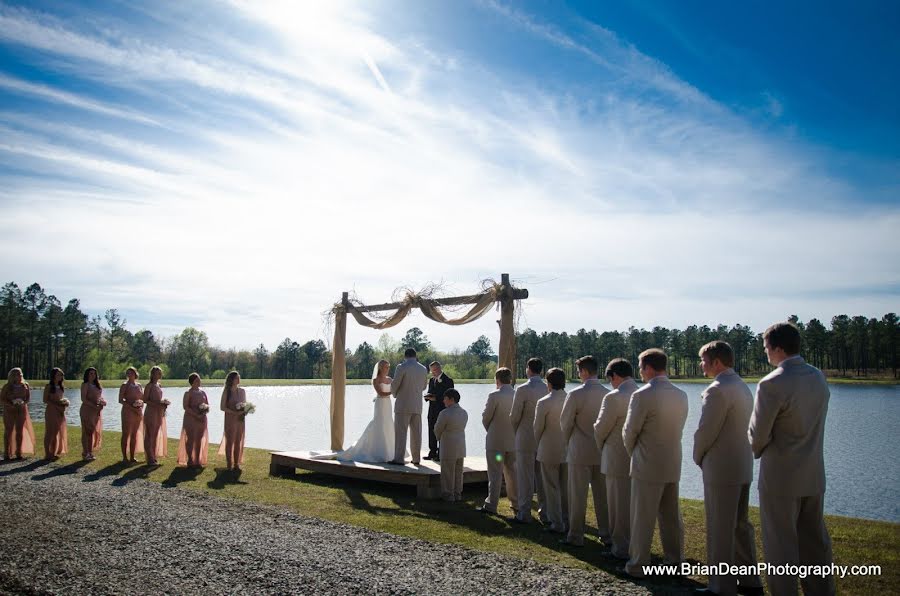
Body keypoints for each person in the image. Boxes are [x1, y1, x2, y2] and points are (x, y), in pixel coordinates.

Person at [750, 322, 835, 596]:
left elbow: (757, 435)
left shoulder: (771, 383)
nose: (765, 353)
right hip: (813, 473)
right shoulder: (818, 377)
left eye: (766, 348)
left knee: (780, 545)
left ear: (776, 347)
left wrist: (755, 447)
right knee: (815, 543)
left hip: (780, 478)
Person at [693, 341, 762, 595]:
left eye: (703, 360)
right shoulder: (742, 386)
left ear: (717, 362)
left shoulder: (717, 390)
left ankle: (721, 586)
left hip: (721, 467)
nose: (701, 364)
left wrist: (698, 456)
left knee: (720, 527)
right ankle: (749, 581)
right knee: (740, 526)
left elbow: (705, 432)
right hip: (741, 464)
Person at [622, 349, 689, 578]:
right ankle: (676, 561)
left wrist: (634, 453)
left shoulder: (642, 395)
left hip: (647, 462)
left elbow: (630, 432)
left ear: (649, 367)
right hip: (672, 460)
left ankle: (639, 563)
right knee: (672, 516)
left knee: (642, 516)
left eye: (641, 367)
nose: (640, 372)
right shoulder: (681, 394)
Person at [560, 355, 610, 547]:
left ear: (585, 372)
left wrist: (568, 443)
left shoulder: (575, 395)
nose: (579, 375)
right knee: (603, 497)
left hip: (579, 450)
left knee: (577, 496)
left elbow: (565, 424)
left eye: (579, 371)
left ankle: (576, 534)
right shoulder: (607, 393)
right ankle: (606, 533)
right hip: (601, 451)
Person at [593, 358, 638, 560]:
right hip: (637, 458)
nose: (610, 383)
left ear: (615, 376)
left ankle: (620, 547)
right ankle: (634, 543)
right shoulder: (641, 392)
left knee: (617, 504)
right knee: (633, 504)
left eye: (610, 379)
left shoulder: (614, 397)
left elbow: (600, 428)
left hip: (615, 456)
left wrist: (602, 447)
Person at [333, 360, 396, 463]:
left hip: (388, 404)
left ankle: (389, 451)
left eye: (388, 367)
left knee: (388, 424)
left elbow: (395, 388)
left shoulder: (390, 379)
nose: (387, 369)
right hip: (380, 403)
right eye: (386, 367)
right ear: (380, 368)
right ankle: (374, 450)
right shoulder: (376, 380)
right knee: (379, 423)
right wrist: (393, 392)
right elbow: (381, 393)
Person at [510, 357, 546, 523]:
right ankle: (545, 512)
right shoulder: (547, 388)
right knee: (542, 477)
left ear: (528, 369)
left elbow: (515, 415)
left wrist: (515, 430)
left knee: (525, 477)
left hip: (525, 436)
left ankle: (524, 513)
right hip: (543, 438)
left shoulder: (523, 389)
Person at [477, 367, 518, 515]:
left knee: (495, 474)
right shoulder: (517, 395)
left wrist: (491, 430)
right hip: (513, 440)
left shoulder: (494, 395)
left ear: (497, 379)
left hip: (496, 440)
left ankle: (491, 504)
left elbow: (486, 417)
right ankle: (516, 503)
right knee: (512, 473)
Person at [534, 367, 569, 533]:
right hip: (567, 448)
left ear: (548, 383)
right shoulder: (570, 399)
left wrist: (538, 443)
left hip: (548, 448)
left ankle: (556, 523)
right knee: (566, 487)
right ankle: (567, 519)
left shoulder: (544, 402)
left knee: (551, 487)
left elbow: (538, 428)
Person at [389, 348, 428, 465]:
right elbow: (424, 387)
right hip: (417, 405)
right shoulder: (423, 368)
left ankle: (399, 458)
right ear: (415, 356)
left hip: (403, 404)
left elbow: (395, 384)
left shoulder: (401, 367)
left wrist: (395, 394)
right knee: (417, 434)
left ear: (405, 356)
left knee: (401, 433)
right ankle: (416, 458)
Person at [434, 388, 468, 501]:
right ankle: (458, 493)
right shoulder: (464, 412)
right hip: (461, 445)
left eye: (445, 398)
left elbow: (437, 429)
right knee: (458, 472)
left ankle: (448, 494)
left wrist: (439, 438)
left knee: (448, 471)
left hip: (448, 444)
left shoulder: (445, 413)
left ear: (451, 399)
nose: (443, 401)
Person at [1, 367, 36, 460]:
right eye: (17, 374)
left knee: (19, 431)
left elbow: (28, 398)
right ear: (12, 376)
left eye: (20, 374)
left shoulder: (25, 385)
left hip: (21, 410)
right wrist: (11, 403)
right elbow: (1, 399)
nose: (19, 376)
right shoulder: (7, 386)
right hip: (9, 410)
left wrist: (23, 403)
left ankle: (18, 452)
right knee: (8, 431)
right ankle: (7, 453)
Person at [177, 372, 209, 468]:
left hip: (201, 418)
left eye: (199, 379)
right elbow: (185, 406)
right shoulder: (188, 393)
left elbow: (207, 404)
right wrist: (195, 415)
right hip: (191, 418)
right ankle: (190, 459)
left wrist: (204, 411)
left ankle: (197, 460)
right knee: (190, 439)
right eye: (196, 380)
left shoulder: (203, 392)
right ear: (192, 382)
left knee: (199, 439)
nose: (199, 381)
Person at [424, 361, 454, 461]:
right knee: (431, 430)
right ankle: (432, 452)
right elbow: (430, 391)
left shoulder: (448, 380)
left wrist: (436, 398)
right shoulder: (432, 380)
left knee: (442, 432)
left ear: (438, 369)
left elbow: (450, 397)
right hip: (432, 410)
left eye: (433, 371)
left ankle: (441, 453)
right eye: (431, 371)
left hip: (442, 410)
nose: (432, 373)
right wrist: (427, 397)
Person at [142, 366, 168, 465]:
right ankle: (150, 458)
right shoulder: (149, 386)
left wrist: (164, 404)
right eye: (157, 373)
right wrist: (158, 404)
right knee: (150, 435)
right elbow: (145, 400)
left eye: (160, 373)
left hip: (158, 412)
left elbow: (159, 399)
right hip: (151, 411)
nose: (159, 374)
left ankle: (153, 456)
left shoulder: (159, 385)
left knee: (155, 434)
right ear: (152, 374)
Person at [118, 366, 144, 463]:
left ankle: (132, 456)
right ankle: (124, 457)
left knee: (134, 434)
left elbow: (143, 398)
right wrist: (132, 407)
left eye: (131, 373)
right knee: (126, 434)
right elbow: (120, 400)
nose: (130, 375)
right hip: (128, 411)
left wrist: (140, 406)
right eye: (128, 373)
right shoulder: (124, 385)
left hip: (138, 412)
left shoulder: (139, 385)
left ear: (135, 373)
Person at [43, 367, 69, 460]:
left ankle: (53, 452)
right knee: (49, 432)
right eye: (58, 374)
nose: (60, 376)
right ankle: (47, 454)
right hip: (51, 411)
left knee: (56, 433)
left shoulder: (61, 386)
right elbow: (45, 400)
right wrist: (57, 404)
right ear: (53, 376)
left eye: (61, 375)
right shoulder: (48, 386)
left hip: (60, 411)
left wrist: (64, 403)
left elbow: (60, 398)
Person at [80, 367, 105, 461]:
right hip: (87, 410)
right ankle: (85, 452)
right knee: (86, 431)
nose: (93, 375)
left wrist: (102, 402)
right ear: (87, 375)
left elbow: (99, 397)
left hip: (96, 411)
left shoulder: (97, 385)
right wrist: (94, 406)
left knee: (92, 432)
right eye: (91, 373)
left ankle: (90, 452)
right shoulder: (85, 385)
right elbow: (84, 399)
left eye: (94, 373)